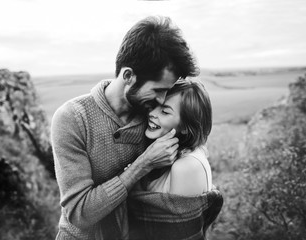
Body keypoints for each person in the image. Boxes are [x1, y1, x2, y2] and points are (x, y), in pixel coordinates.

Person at [51, 16, 198, 239]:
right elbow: (79, 213)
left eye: (166, 91)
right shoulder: (72, 118)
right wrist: (143, 164)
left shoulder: (153, 118)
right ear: (128, 76)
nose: (161, 100)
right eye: (157, 90)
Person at [127, 79, 223, 240]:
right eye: (154, 106)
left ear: (185, 126)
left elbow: (177, 233)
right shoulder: (175, 155)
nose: (152, 113)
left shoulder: (187, 165)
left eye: (165, 112)